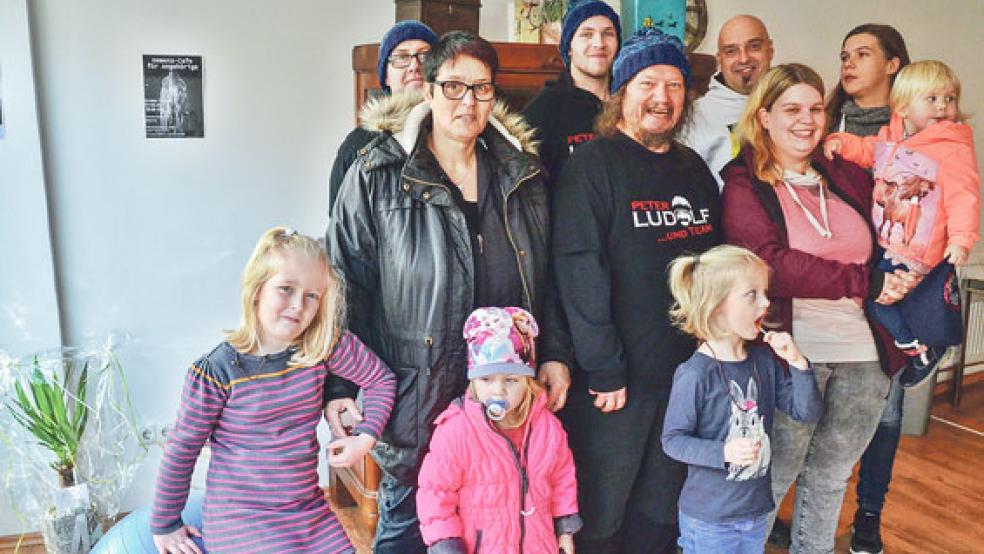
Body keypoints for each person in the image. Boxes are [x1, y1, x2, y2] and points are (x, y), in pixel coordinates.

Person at [326, 31, 573, 553]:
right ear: (429, 90)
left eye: (481, 88)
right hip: (415, 395)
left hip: (504, 394)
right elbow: (346, 289)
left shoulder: (523, 174)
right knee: (408, 531)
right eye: (454, 86)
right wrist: (341, 386)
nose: (468, 101)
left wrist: (553, 353)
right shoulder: (377, 174)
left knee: (498, 529)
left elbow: (549, 277)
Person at [720, 63, 917, 554]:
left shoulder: (844, 175)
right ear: (764, 117)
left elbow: (895, 229)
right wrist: (862, 281)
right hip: (792, 356)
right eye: (792, 109)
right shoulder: (745, 182)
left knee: (831, 477)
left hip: (864, 357)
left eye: (814, 109)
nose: (806, 120)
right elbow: (768, 264)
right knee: (772, 477)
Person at [552, 28, 721, 553]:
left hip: (686, 378)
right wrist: (604, 367)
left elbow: (716, 267)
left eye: (674, 85)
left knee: (662, 512)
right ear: (622, 92)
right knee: (603, 513)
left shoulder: (694, 169)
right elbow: (578, 270)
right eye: (648, 83)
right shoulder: (592, 166)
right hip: (616, 384)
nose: (662, 97)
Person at [149, 227, 396, 554]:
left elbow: (380, 380)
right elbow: (182, 449)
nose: (298, 305)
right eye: (286, 289)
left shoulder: (322, 346)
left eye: (312, 295)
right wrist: (165, 525)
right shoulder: (216, 371)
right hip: (241, 518)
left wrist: (363, 439)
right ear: (256, 289)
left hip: (307, 510)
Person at [825, 59, 979, 386]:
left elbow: (964, 194)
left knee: (876, 297)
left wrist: (961, 238)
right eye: (932, 99)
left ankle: (919, 349)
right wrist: (843, 143)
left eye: (950, 99)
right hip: (888, 241)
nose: (943, 107)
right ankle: (922, 342)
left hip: (916, 247)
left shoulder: (951, 147)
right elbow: (868, 150)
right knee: (893, 298)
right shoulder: (892, 138)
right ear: (903, 108)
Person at [662, 245, 823, 553]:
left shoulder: (763, 361)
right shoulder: (694, 374)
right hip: (710, 520)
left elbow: (807, 412)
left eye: (765, 292)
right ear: (715, 305)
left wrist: (798, 363)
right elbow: (673, 440)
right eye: (751, 294)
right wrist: (724, 452)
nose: (766, 302)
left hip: (755, 512)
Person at [821, 24, 909, 554]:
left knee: (886, 411)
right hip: (833, 288)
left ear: (893, 64)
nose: (849, 64)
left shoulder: (915, 128)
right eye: (844, 55)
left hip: (891, 287)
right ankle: (812, 514)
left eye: (862, 54)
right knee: (819, 408)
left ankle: (868, 516)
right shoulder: (825, 124)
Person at [417, 307, 581, 553]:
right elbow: (435, 492)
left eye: (511, 380)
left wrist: (565, 526)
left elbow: (562, 479)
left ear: (528, 381)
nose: (498, 390)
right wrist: (445, 544)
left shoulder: (547, 427)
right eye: (487, 379)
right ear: (473, 381)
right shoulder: (456, 430)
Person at [327, 20, 438, 210]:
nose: (414, 66)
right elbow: (341, 221)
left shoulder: (460, 133)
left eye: (425, 56)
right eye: (401, 57)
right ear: (386, 76)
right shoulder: (358, 145)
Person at [523, 0, 621, 188]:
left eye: (608, 33)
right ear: (569, 47)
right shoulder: (542, 111)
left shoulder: (631, 103)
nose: (599, 43)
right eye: (587, 34)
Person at [682, 14, 774, 190]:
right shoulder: (695, 117)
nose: (744, 58)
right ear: (719, 60)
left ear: (770, 50)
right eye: (731, 51)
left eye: (754, 46)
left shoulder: (795, 106)